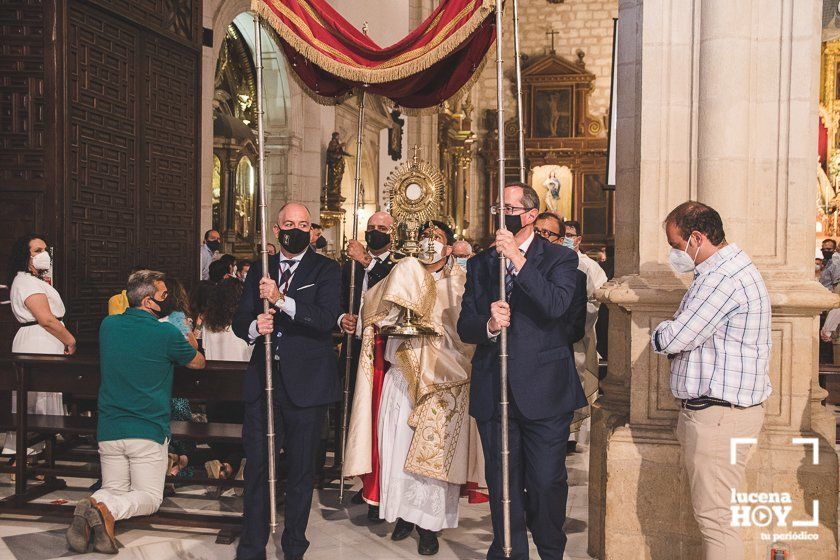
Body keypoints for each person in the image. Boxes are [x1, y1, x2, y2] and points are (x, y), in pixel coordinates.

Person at [457, 182, 585, 560]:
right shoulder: (481, 263)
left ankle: (550, 550)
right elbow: (466, 324)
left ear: (529, 215)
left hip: (545, 389)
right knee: (502, 483)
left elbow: (557, 307)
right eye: (498, 207)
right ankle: (509, 550)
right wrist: (489, 325)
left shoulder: (559, 259)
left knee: (546, 482)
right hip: (494, 390)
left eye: (510, 208)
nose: (502, 214)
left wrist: (518, 260)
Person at [345, 221, 478, 555]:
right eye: (425, 237)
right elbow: (373, 313)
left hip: (442, 381)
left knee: (431, 461)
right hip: (402, 377)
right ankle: (403, 515)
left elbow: (467, 337)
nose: (430, 243)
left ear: (450, 248)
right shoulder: (401, 273)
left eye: (438, 239)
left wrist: (430, 330)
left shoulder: (460, 283)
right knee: (397, 451)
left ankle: (428, 526)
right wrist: (389, 322)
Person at [651, 201, 771, 560]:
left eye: (676, 245)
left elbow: (674, 337)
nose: (675, 253)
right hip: (719, 414)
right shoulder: (726, 270)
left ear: (697, 238)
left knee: (716, 521)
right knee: (715, 517)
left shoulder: (723, 278)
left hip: (720, 418)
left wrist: (660, 332)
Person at [66, 270, 205, 554]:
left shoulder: (109, 326)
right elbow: (198, 363)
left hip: (109, 428)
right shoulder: (165, 332)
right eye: (164, 296)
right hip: (147, 429)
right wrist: (188, 335)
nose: (168, 300)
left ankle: (91, 506)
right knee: (150, 498)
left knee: (113, 487)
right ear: (148, 302)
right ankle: (104, 510)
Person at [232, 202, 341, 560]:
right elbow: (240, 318)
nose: (296, 229)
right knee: (258, 467)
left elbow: (326, 318)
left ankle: (294, 545)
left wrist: (282, 301)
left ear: (312, 231)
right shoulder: (260, 270)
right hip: (264, 382)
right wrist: (253, 327)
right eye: (289, 224)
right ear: (277, 230)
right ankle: (251, 547)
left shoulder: (326, 269)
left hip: (307, 384)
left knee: (300, 470)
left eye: (304, 224)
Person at [337, 210, 398, 518]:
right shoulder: (348, 265)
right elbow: (339, 300)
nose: (375, 232)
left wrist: (365, 262)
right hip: (354, 346)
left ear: (393, 231)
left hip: (383, 351)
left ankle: (382, 486)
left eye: (382, 228)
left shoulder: (399, 263)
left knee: (379, 419)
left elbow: (388, 291)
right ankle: (363, 481)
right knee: (355, 417)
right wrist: (341, 318)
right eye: (371, 227)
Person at [3, 234, 76, 459]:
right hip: (38, 338)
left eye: (44, 250)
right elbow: (46, 319)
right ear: (24, 255)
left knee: (45, 395)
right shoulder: (25, 281)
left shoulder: (35, 281)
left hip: (44, 339)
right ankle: (28, 454)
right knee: (36, 398)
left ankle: (43, 452)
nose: (42, 254)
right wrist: (69, 339)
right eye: (36, 251)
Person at [533, 213, 592, 452]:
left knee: (549, 456)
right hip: (517, 370)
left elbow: (575, 326)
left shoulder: (577, 277)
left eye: (547, 234)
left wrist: (537, 343)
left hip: (553, 369)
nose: (541, 238)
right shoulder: (506, 270)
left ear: (559, 240)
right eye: (537, 232)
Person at [561, 219, 608, 450]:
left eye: (570, 234)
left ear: (578, 238)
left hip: (578, 334)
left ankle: (572, 433)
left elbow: (595, 301)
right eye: (564, 233)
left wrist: (575, 321)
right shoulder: (553, 260)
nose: (566, 237)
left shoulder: (589, 266)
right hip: (559, 332)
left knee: (577, 378)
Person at [202, 278, 252, 497]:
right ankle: (237, 466)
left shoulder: (208, 323)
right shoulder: (244, 323)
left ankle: (222, 464)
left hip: (214, 391)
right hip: (242, 388)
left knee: (221, 432)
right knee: (245, 433)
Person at [159, 277, 199, 479]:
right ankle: (180, 465)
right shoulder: (177, 318)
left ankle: (170, 459)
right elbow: (193, 349)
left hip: (157, 384)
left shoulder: (151, 318)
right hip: (178, 381)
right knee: (183, 423)